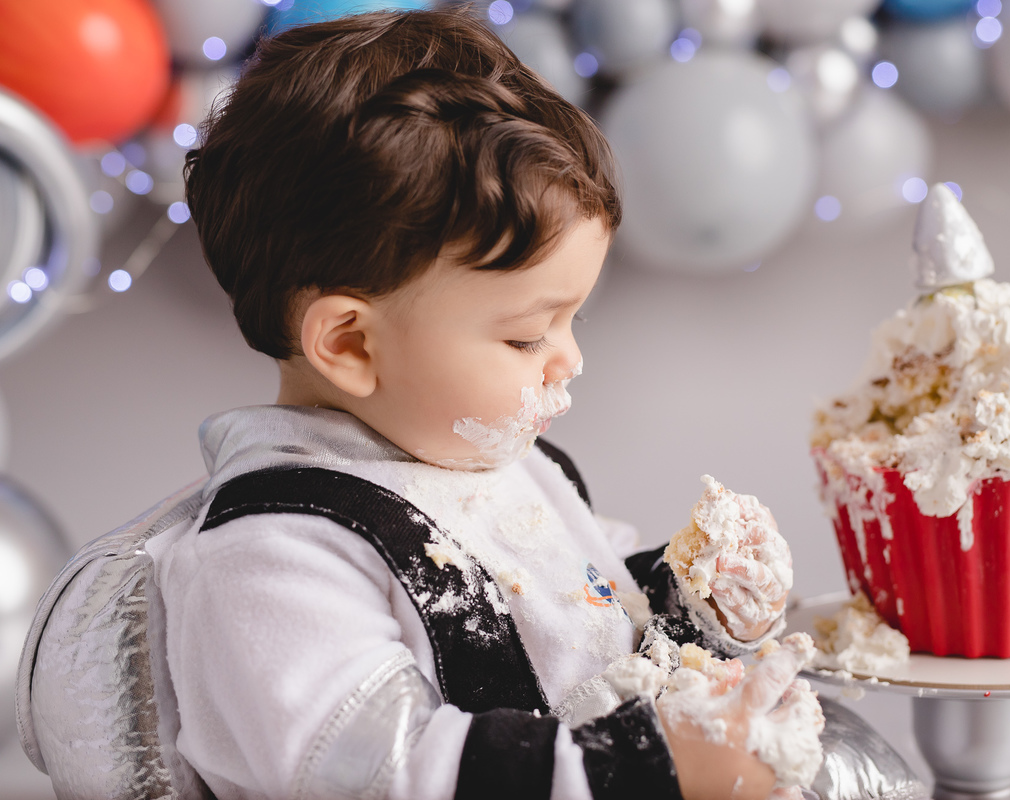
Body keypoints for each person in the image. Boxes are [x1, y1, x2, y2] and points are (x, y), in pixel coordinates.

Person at [154, 8, 821, 800]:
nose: (570, 358)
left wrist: (694, 605)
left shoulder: (504, 467)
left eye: (572, 320)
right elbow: (380, 773)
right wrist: (649, 766)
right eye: (527, 335)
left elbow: (596, 634)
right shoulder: (271, 561)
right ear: (353, 345)